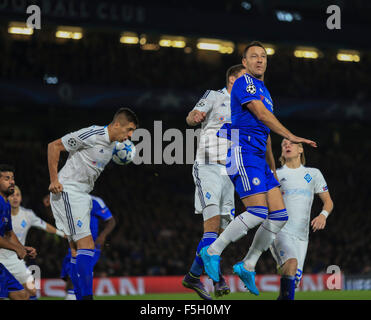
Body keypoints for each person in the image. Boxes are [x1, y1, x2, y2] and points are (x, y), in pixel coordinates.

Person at [200, 41, 317, 296]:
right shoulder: (245, 83)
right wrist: (292, 135)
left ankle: (248, 264)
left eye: (263, 56)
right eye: (254, 56)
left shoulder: (265, 90)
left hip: (260, 159)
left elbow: (266, 135)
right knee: (256, 211)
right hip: (242, 153)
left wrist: (273, 171)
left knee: (278, 216)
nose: (260, 60)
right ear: (245, 62)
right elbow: (262, 116)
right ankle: (212, 251)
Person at [47, 107, 138, 300]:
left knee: (75, 249)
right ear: (117, 124)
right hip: (68, 190)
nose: (130, 135)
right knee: (87, 245)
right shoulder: (92, 134)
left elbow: (124, 151)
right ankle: (86, 297)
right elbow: (53, 146)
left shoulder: (116, 146)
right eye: (129, 130)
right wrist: (54, 180)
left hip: (82, 194)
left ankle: (75, 296)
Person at [183, 64, 246, 300]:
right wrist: (194, 117)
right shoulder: (214, 96)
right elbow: (190, 117)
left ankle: (193, 276)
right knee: (210, 228)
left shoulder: (246, 105)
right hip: (208, 165)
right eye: (243, 78)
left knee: (222, 234)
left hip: (229, 171)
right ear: (231, 79)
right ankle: (217, 280)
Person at [269, 139, 334, 299]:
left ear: (300, 150)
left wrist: (322, 215)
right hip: (279, 230)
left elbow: (328, 201)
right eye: (283, 144)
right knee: (291, 265)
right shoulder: (276, 174)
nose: (287, 146)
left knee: (293, 282)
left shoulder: (313, 174)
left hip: (302, 237)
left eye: (291, 143)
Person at [1, 185, 66, 300]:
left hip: (16, 261)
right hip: (1, 259)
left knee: (32, 290)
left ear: (21, 198)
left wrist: (62, 234)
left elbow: (44, 225)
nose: (15, 198)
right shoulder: (2, 213)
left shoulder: (28, 214)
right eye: (12, 195)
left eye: (18, 195)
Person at [57, 194, 116, 300]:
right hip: (74, 244)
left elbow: (111, 221)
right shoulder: (68, 200)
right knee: (71, 276)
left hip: (91, 246)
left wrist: (102, 236)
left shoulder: (95, 201)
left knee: (80, 272)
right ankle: (73, 295)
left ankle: (74, 295)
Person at [0, 164, 36, 300]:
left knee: (22, 295)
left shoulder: (6, 204)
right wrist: (16, 249)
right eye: (6, 178)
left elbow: (9, 233)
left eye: (12, 178)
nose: (12, 182)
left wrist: (22, 248)